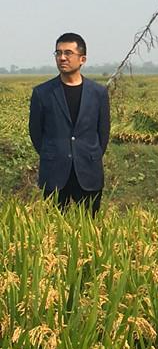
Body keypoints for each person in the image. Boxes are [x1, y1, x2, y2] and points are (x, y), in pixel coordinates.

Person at [29, 33, 110, 215]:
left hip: (89, 172)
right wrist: (53, 153)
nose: (62, 58)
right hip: (54, 172)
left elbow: (103, 132)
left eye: (68, 53)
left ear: (82, 59)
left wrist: (91, 154)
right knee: (53, 227)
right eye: (58, 53)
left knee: (90, 225)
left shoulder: (98, 93)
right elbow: (36, 133)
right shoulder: (42, 93)